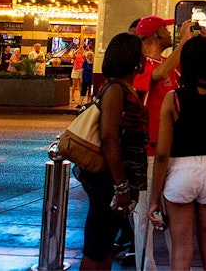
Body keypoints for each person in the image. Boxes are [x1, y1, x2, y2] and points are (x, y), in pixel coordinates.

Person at [148, 35, 206, 270]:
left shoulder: (173, 98)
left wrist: (155, 198)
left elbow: (163, 152)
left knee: (182, 248)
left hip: (181, 171)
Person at [76, 33, 148, 270]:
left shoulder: (123, 87)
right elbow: (110, 137)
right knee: (97, 244)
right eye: (141, 51)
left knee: (105, 241)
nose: (145, 56)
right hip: (108, 178)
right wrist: (121, 185)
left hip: (115, 176)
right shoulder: (116, 89)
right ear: (132, 58)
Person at [130, 15, 186, 271]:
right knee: (143, 219)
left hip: (170, 152)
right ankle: (146, 266)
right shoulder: (140, 65)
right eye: (164, 27)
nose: (168, 31)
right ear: (154, 35)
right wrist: (184, 42)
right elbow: (158, 75)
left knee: (174, 215)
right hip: (147, 152)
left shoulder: (167, 63)